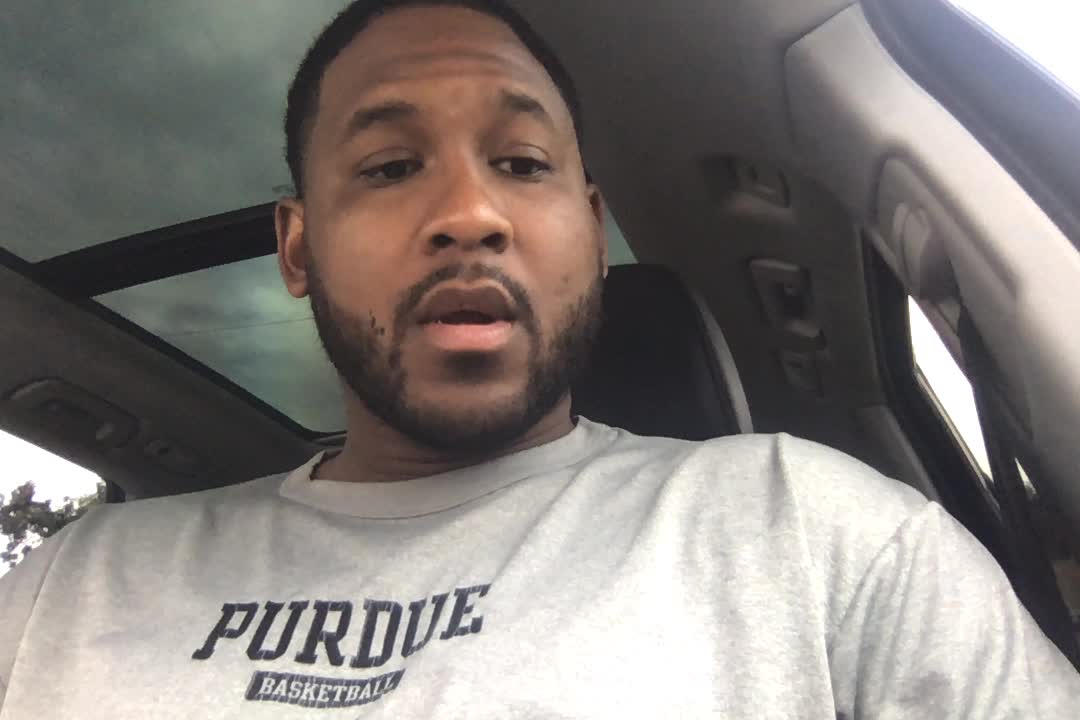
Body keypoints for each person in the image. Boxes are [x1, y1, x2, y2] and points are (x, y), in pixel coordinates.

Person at [2, 0, 1079, 716]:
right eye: (389, 167)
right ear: (298, 248)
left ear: (592, 232)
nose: (470, 213)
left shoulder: (821, 536)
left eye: (522, 163)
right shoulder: (73, 587)